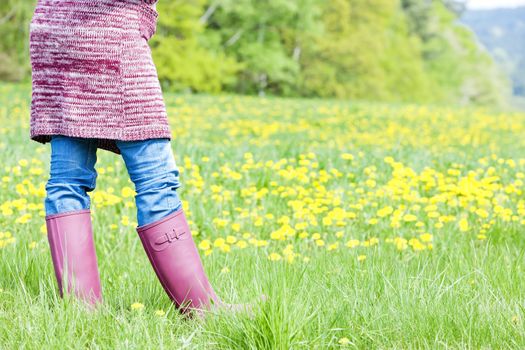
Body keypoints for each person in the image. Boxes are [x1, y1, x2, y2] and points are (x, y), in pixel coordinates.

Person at [29, 0, 244, 315]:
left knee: (67, 180)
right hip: (108, 30)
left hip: (55, 27)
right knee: (157, 181)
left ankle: (80, 315)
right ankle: (203, 310)